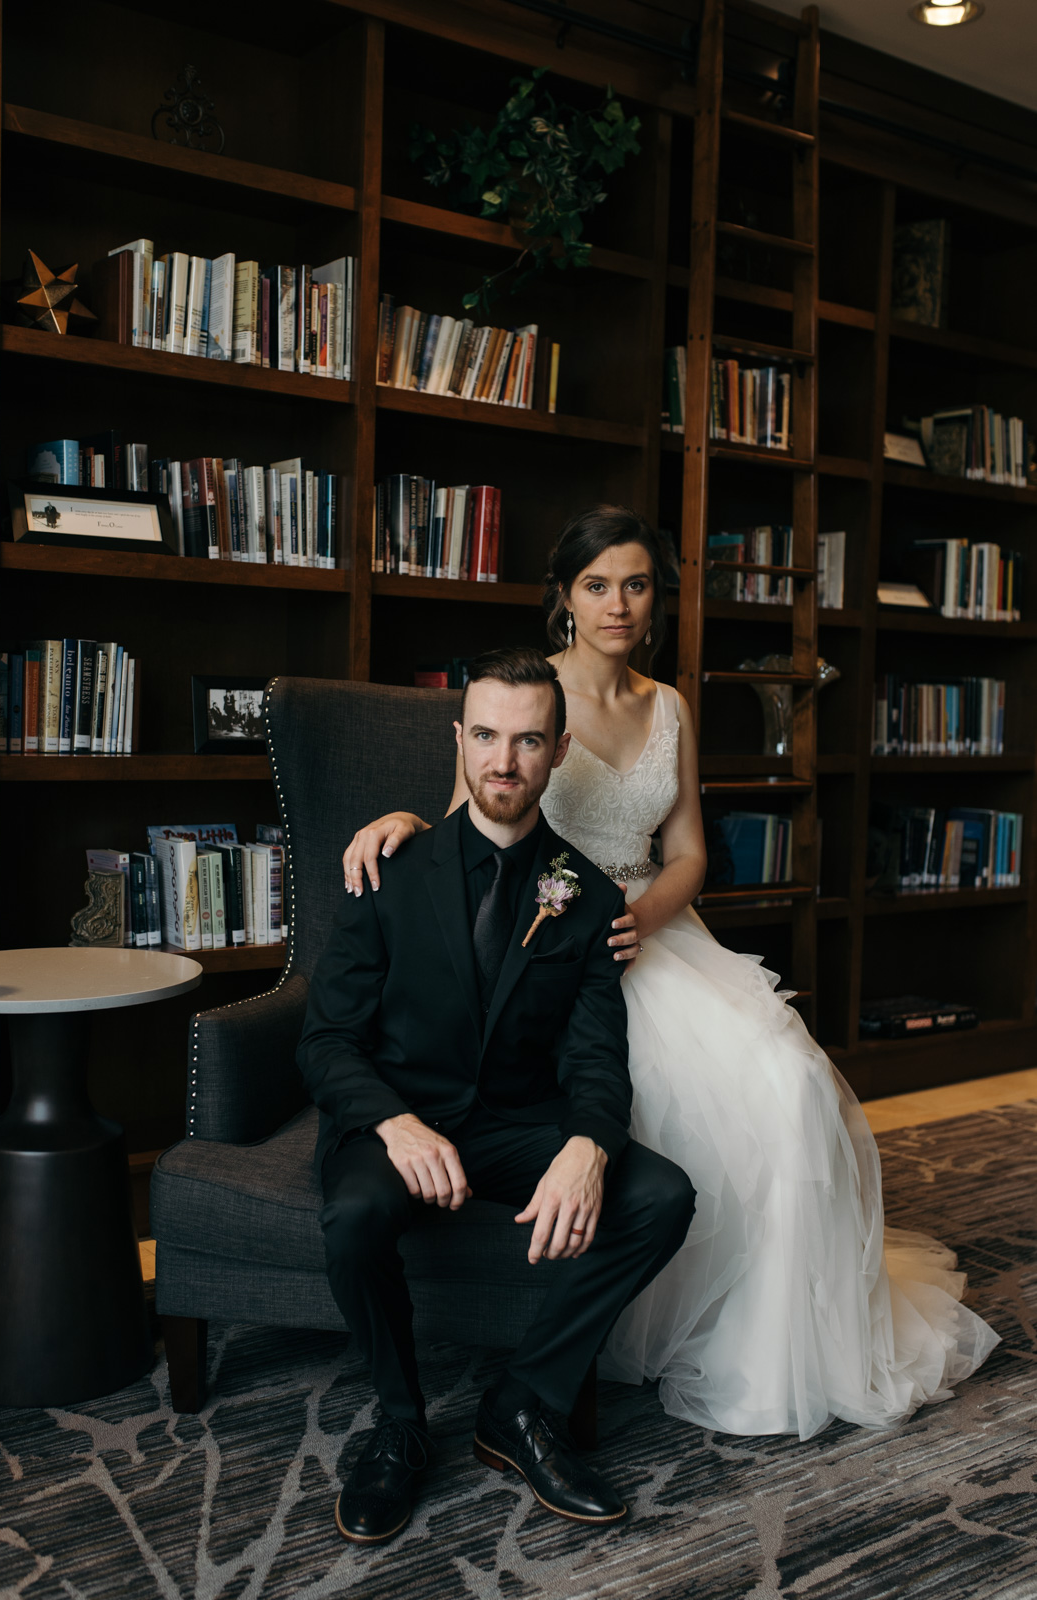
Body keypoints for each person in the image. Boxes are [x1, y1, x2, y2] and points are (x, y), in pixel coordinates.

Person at [342, 504, 1001, 1442]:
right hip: (550, 938)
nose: (619, 604)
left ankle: (769, 1348)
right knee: (656, 1112)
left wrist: (634, 918)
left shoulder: (670, 704)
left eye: (637, 584)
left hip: (650, 930)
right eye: (598, 585)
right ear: (564, 598)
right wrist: (400, 824)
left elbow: (687, 851)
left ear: (657, 600)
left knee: (792, 1088)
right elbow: (473, 813)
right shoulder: (529, 699)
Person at [298, 644, 696, 1545]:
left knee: (663, 1195)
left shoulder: (588, 898)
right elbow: (324, 1039)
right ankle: (400, 1423)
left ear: (557, 752)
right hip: (394, 1120)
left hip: (517, 1124)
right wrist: (395, 1124)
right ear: (461, 739)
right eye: (485, 736)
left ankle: (521, 1405)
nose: (502, 761)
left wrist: (588, 1148)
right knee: (353, 1214)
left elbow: (598, 1059)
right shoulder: (388, 864)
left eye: (525, 741)